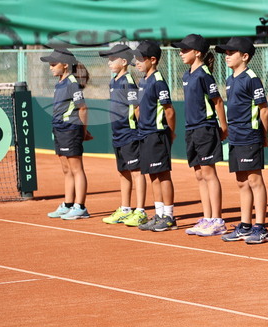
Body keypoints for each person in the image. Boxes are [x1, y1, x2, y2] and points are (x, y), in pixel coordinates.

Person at [216, 37, 268, 244]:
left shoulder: (251, 78)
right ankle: (245, 225)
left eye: (231, 53)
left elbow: (264, 109)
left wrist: (263, 135)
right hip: (236, 136)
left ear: (245, 56)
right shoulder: (230, 79)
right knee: (241, 182)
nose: (227, 56)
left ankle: (261, 227)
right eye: (226, 53)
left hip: (250, 135)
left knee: (255, 181)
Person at [172, 34, 229, 237]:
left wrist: (224, 127)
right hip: (191, 129)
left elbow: (218, 102)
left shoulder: (204, 74)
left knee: (208, 173)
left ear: (197, 53)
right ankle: (207, 218)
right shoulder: (187, 75)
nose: (181, 53)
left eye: (185, 50)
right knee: (198, 174)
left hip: (205, 128)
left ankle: (217, 220)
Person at [98, 44, 148, 227]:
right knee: (123, 172)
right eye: (109, 59)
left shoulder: (128, 81)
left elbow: (137, 108)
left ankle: (140, 211)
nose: (109, 62)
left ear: (124, 61)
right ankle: (125, 209)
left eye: (113, 59)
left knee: (136, 172)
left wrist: (139, 131)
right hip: (117, 134)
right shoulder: (113, 81)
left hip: (130, 134)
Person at [133, 40, 178, 232]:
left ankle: (168, 216)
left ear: (153, 60)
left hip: (157, 134)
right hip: (145, 133)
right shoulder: (143, 80)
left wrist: (170, 132)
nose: (137, 62)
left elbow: (169, 111)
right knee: (153, 175)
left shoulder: (158, 81)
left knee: (163, 174)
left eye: (141, 59)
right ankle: (159, 213)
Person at [43, 48, 92, 220]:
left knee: (76, 169)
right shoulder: (60, 82)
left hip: (71, 129)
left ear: (65, 65)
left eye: (53, 64)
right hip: (59, 129)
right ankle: (69, 204)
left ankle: (81, 206)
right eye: (50, 64)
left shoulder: (72, 83)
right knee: (66, 169)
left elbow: (83, 108)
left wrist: (83, 131)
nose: (50, 67)